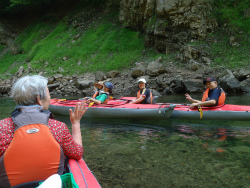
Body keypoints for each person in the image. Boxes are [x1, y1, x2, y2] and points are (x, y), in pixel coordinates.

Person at [0, 75, 87, 188]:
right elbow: (77, 153)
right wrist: (75, 123)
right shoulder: (58, 127)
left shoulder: (2, 128)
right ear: (39, 99)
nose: (50, 98)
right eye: (48, 94)